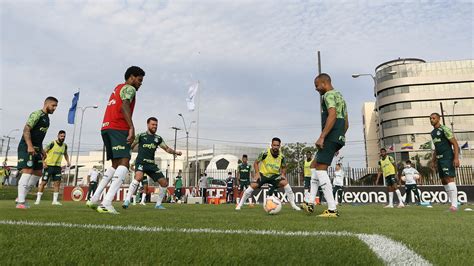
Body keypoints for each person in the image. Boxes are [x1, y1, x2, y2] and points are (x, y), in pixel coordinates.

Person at [86, 66, 145, 214]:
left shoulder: (117, 88)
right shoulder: (128, 88)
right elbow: (124, 106)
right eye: (139, 80)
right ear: (131, 77)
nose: (140, 84)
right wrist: (131, 127)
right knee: (125, 162)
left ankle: (94, 199)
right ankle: (107, 202)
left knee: (115, 164)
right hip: (118, 127)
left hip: (106, 127)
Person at [302, 73, 348, 217]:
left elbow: (332, 115)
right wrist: (338, 141)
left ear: (324, 83)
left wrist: (323, 137)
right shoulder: (340, 96)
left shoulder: (328, 95)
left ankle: (332, 208)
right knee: (314, 166)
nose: (316, 89)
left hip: (330, 136)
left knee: (321, 171)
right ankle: (310, 202)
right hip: (338, 136)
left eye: (317, 85)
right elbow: (346, 123)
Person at [121, 117, 182, 210]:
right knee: (138, 177)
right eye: (153, 124)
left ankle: (158, 204)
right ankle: (127, 200)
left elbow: (166, 148)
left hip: (151, 164)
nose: (155, 126)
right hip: (141, 162)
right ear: (148, 124)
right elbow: (131, 146)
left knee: (164, 183)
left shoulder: (158, 138)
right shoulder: (141, 136)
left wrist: (175, 152)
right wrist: (125, 153)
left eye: (156, 125)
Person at [236, 137, 301, 211]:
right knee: (252, 186)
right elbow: (256, 163)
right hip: (263, 175)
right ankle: (240, 205)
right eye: (274, 145)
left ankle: (293, 205)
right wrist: (257, 173)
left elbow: (284, 167)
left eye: (277, 145)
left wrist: (283, 174)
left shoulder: (282, 156)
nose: (276, 147)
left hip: (275, 176)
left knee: (285, 183)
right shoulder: (265, 153)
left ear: (279, 146)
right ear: (272, 145)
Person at [16, 96, 58, 209]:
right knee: (28, 171)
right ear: (46, 104)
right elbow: (26, 129)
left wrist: (42, 149)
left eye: (56, 106)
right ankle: (20, 202)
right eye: (53, 105)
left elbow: (39, 136)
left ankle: (21, 197)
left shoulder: (47, 119)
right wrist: (29, 146)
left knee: (38, 173)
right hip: (26, 147)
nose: (55, 108)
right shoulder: (36, 114)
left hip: (37, 149)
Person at [430, 112, 460, 211]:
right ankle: (451, 203)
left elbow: (455, 144)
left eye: (433, 118)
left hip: (447, 157)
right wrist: (433, 160)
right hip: (439, 159)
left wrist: (456, 158)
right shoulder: (433, 132)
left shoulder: (445, 129)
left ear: (438, 119)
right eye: (430, 118)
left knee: (449, 178)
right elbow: (436, 147)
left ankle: (454, 206)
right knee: (443, 180)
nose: (431, 120)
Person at [35, 130, 71, 205]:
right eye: (61, 136)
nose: (62, 137)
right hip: (49, 166)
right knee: (44, 182)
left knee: (57, 183)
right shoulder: (52, 143)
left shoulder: (65, 146)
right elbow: (43, 152)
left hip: (57, 167)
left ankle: (54, 201)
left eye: (64, 136)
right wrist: (43, 162)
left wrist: (68, 161)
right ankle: (38, 200)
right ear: (58, 136)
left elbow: (66, 154)